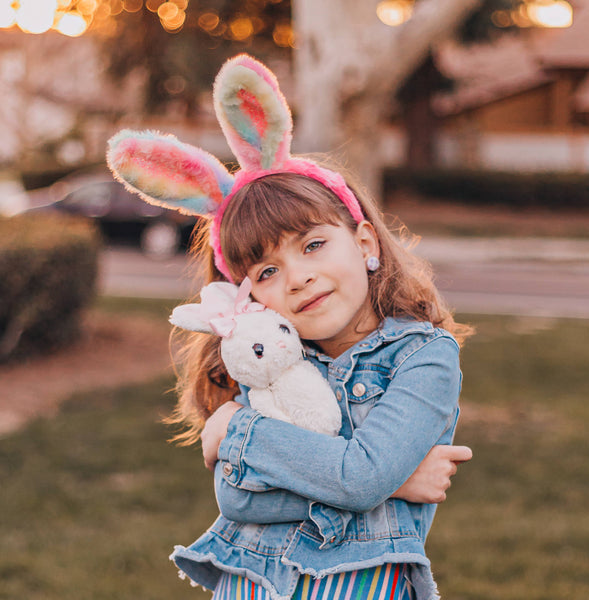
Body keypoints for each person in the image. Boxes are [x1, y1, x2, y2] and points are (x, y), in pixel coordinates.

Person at [107, 54, 473, 600]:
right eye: (269, 271)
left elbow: (360, 477)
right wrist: (399, 486)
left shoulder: (423, 357)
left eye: (314, 245)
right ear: (250, 294)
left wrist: (238, 431)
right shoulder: (273, 365)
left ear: (365, 243)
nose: (299, 278)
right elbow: (236, 500)